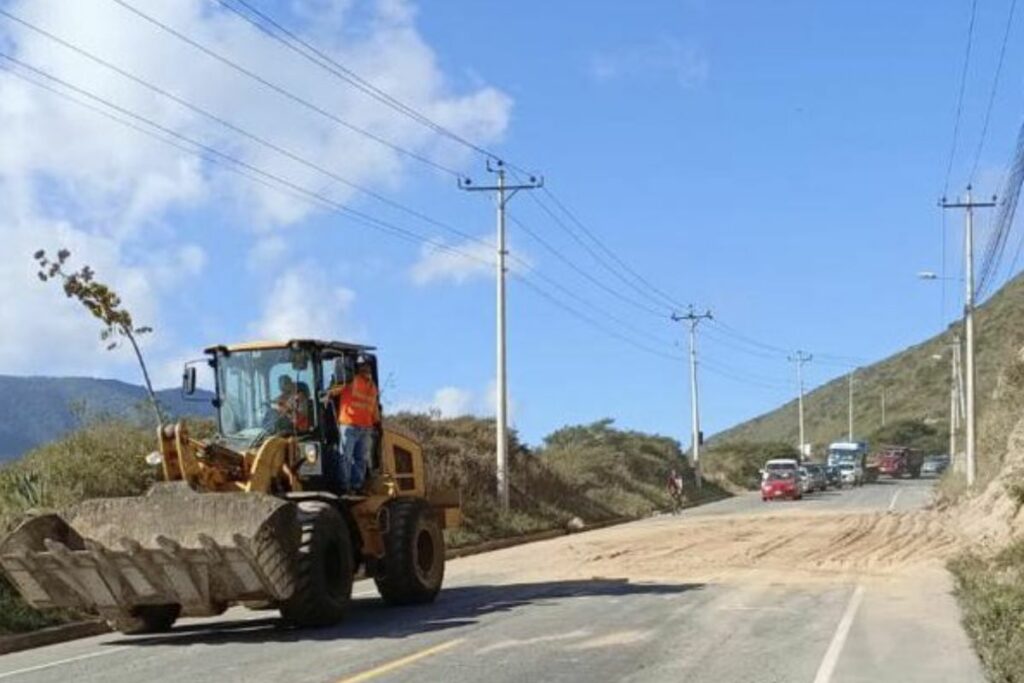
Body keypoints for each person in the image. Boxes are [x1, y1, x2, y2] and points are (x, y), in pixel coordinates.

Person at [327, 357, 380, 492]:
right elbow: (334, 392)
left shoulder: (373, 386)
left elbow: (373, 407)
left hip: (365, 428)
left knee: (360, 459)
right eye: (363, 366)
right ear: (358, 367)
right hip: (349, 425)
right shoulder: (350, 380)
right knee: (346, 457)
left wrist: (377, 423)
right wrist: (329, 392)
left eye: (367, 366)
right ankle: (345, 486)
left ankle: (357, 486)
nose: (366, 368)